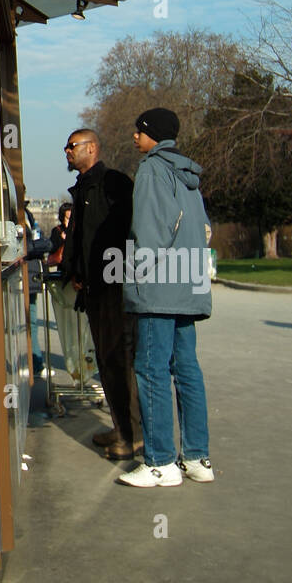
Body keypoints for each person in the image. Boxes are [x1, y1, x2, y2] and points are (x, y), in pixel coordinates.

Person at [117, 108, 214, 488]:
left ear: (152, 134)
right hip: (188, 285)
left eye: (138, 131)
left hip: (159, 287)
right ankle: (196, 457)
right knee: (186, 369)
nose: (133, 137)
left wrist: (136, 278)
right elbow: (203, 230)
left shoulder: (151, 170)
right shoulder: (190, 176)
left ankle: (160, 462)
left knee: (152, 369)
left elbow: (148, 230)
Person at [60, 129, 142, 460]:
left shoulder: (113, 183)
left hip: (114, 286)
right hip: (94, 287)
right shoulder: (83, 188)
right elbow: (83, 238)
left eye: (72, 146)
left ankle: (133, 436)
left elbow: (125, 234)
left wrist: (113, 273)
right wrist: (77, 272)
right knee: (107, 363)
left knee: (120, 361)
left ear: (92, 148)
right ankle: (121, 428)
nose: (66, 151)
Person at [46, 202, 96, 380]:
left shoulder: (79, 230)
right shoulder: (57, 231)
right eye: (66, 216)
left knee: (84, 328)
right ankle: (77, 368)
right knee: (70, 324)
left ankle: (87, 367)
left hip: (78, 279)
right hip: (64, 278)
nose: (68, 219)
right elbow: (54, 249)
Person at [23, 205, 51, 378]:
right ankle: (36, 362)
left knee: (32, 322)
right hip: (29, 273)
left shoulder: (27, 214)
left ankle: (37, 362)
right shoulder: (24, 214)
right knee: (30, 322)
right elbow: (38, 242)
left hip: (31, 274)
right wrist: (38, 245)